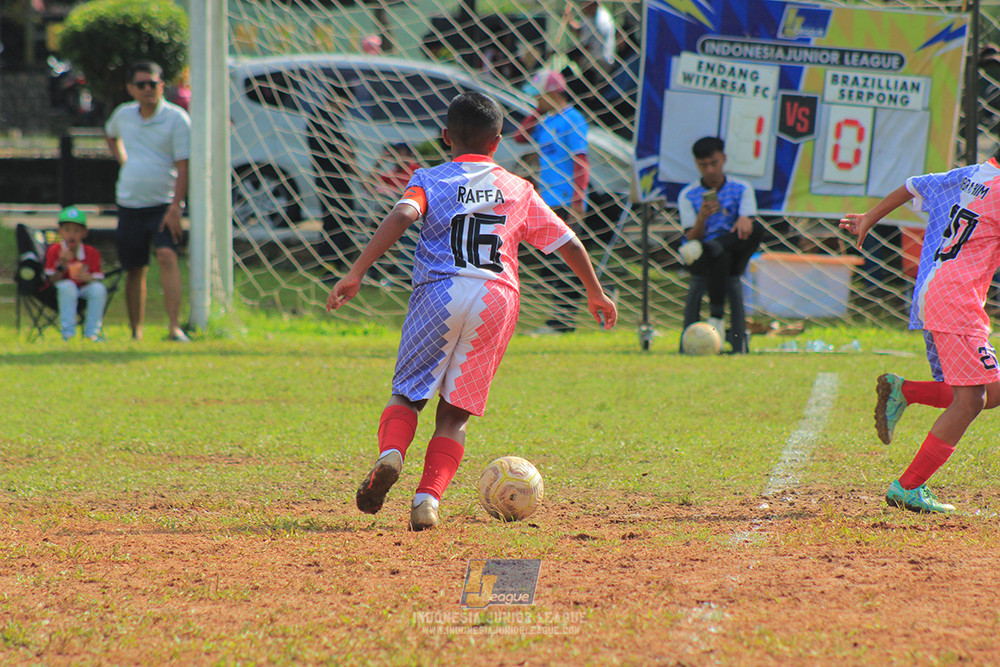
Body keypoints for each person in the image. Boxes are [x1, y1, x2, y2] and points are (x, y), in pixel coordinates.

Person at [327, 92, 617, 531]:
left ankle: (391, 455)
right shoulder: (518, 188)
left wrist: (356, 272)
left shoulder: (430, 177)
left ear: (445, 137)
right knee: (456, 411)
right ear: (498, 142)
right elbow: (569, 242)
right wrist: (594, 293)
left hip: (438, 293)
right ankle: (427, 500)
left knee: (408, 393)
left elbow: (403, 215)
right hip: (496, 298)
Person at [839, 156, 1000, 514]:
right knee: (970, 401)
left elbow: (912, 184)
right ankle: (908, 486)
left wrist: (869, 217)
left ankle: (904, 391)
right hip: (956, 301)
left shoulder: (971, 174)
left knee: (991, 391)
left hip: (937, 291)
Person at [105, 61, 190, 342]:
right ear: (130, 89)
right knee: (134, 267)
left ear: (162, 86)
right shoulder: (123, 115)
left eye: (152, 84)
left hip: (163, 205)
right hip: (129, 203)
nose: (147, 89)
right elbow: (110, 134)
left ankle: (174, 327)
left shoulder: (177, 118)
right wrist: (123, 160)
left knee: (167, 257)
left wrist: (175, 207)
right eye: (141, 85)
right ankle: (135, 332)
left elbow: (183, 166)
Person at [514, 69, 593, 334]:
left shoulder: (573, 119)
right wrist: (537, 111)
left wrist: (578, 201)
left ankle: (561, 323)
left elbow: (581, 161)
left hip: (566, 200)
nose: (536, 100)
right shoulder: (546, 121)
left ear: (551, 93)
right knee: (547, 263)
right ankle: (565, 315)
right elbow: (520, 137)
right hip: (546, 200)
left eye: (539, 96)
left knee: (563, 264)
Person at [677, 136, 764, 353]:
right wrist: (702, 219)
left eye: (714, 163)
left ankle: (714, 247)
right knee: (719, 256)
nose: (710, 170)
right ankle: (721, 324)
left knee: (757, 229)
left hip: (732, 251)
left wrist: (746, 219)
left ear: (723, 159)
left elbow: (748, 227)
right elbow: (692, 238)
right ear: (697, 165)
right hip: (704, 258)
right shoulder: (688, 195)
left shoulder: (741, 188)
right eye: (703, 165)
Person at [304, 90, 356, 268]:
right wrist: (358, 174)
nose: (347, 109)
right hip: (336, 177)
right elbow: (343, 151)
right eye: (346, 104)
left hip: (322, 176)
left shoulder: (315, 118)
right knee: (342, 218)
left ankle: (326, 259)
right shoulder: (329, 121)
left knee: (329, 218)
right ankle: (337, 260)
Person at [43, 206, 107, 341]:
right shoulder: (54, 250)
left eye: (76, 231)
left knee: (98, 289)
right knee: (68, 286)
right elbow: (50, 280)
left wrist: (89, 278)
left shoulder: (91, 252)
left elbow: (98, 277)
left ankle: (92, 333)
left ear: (84, 233)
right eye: (67, 230)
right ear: (60, 231)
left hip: (83, 288)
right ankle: (68, 334)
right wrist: (62, 265)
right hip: (60, 290)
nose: (71, 235)